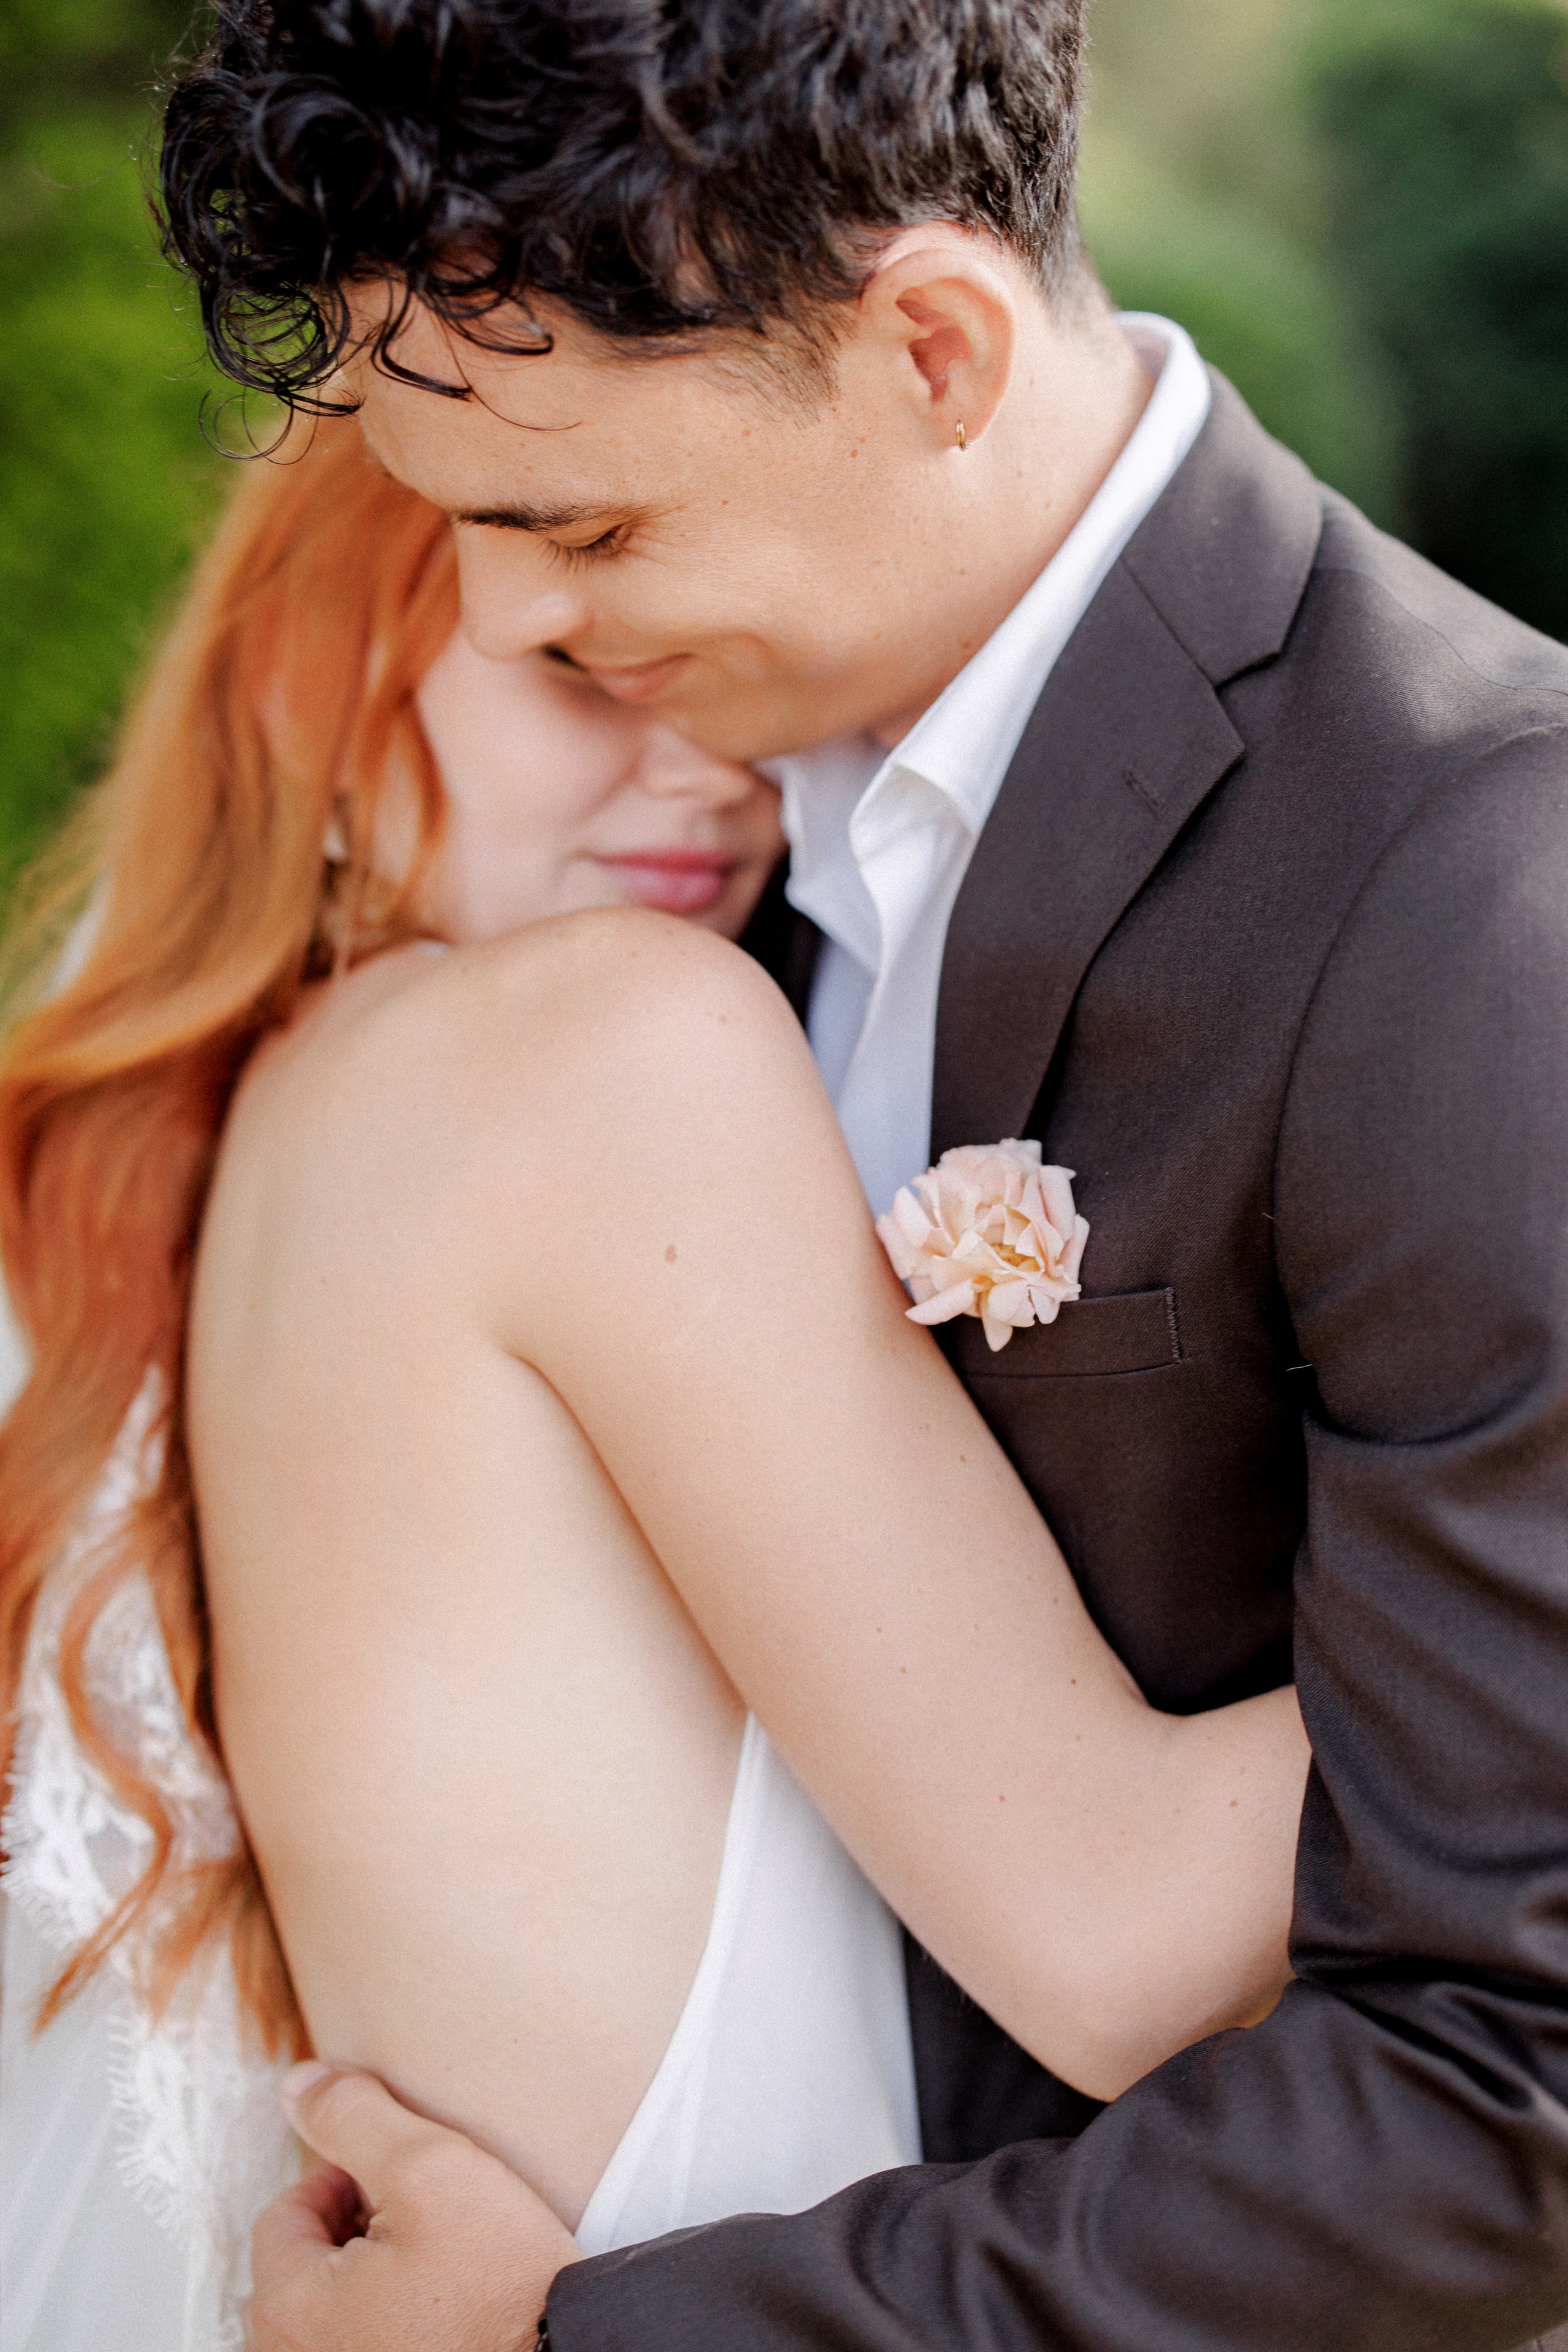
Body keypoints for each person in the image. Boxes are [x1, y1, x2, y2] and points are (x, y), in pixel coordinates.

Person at [100, 0, 1568, 2339]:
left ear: (933, 350)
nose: (506, 618)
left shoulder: (1475, 883)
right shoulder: (666, 885)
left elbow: (1501, 2114)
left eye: (581, 523)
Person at [0, 413, 1308, 2352]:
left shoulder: (191, 1164)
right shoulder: (602, 1047)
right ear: (300, 681)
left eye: (719, 676)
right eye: (580, 675)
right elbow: (1116, 1938)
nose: (713, 774)